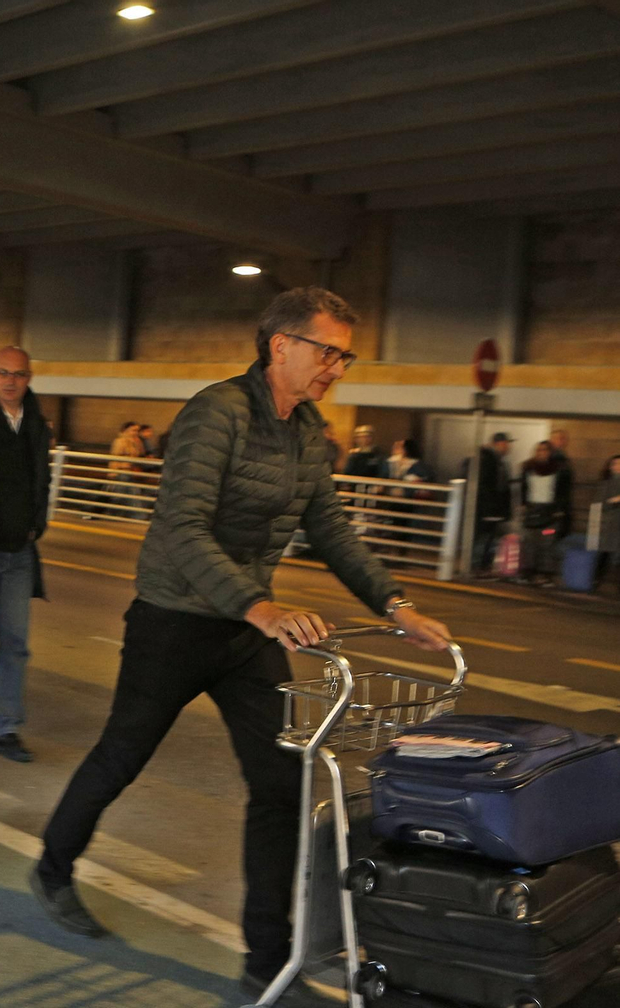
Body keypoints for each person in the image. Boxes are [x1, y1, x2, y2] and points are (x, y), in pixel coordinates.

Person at [30, 286, 450, 1008]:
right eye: (328, 351)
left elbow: (333, 531)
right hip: (175, 622)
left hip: (248, 633)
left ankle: (268, 959)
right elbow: (183, 527)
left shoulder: (307, 431)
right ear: (280, 344)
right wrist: (261, 605)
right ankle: (53, 866)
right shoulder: (215, 412)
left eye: (344, 356)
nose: (337, 368)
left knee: (282, 785)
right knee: (122, 755)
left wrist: (397, 604)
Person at [0, 346, 52, 763]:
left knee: (15, 644)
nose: (10, 381)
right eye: (2, 372)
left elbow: (42, 475)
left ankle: (6, 728)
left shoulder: (35, 420)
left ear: (29, 377)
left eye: (18, 374)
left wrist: (38, 523)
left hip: (20, 550)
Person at [517, 440, 573, 585]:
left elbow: (563, 492)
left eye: (545, 450)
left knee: (546, 542)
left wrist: (559, 510)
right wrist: (523, 504)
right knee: (529, 542)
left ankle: (544, 574)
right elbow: (524, 487)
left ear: (550, 453)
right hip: (532, 511)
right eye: (539, 450)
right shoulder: (528, 468)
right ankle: (528, 572)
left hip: (549, 513)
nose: (542, 453)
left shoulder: (559, 470)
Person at [469, 432, 515, 576]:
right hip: (488, 509)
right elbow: (488, 486)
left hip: (492, 509)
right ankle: (477, 567)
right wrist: (490, 508)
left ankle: (482, 566)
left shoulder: (497, 460)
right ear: (499, 444)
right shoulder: (489, 460)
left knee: (488, 538)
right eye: (506, 443)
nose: (508, 447)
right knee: (484, 537)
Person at [382, 438, 435, 552]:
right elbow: (382, 476)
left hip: (406, 499)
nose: (396, 449)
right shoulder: (389, 462)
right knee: (390, 522)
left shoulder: (417, 464)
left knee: (404, 523)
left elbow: (424, 477)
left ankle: (400, 549)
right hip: (390, 497)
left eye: (400, 447)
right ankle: (392, 548)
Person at [597, 455, 620, 593]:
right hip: (612, 524)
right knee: (605, 553)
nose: (617, 467)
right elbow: (602, 504)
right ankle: (596, 580)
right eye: (615, 464)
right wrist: (615, 500)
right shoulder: (607, 483)